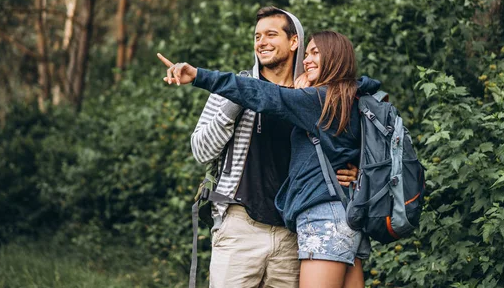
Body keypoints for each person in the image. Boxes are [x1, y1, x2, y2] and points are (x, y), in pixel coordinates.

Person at [158, 30, 379, 288]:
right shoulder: (352, 97)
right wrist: (358, 174)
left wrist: (199, 75)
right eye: (307, 54)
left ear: (335, 58)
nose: (307, 60)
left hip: (322, 219)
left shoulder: (319, 100)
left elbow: (265, 95)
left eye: (316, 53)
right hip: (345, 216)